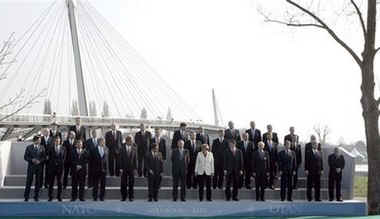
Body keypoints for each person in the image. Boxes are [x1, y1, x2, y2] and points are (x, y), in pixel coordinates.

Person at [24, 136, 46, 202]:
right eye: (39, 140)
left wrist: (40, 161)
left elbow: (44, 157)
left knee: (38, 183)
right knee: (28, 182)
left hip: (39, 167)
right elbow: (25, 157)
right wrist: (32, 160)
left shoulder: (42, 147)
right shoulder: (29, 147)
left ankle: (36, 197)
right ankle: (26, 197)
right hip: (31, 167)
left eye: (40, 140)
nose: (40, 141)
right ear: (35, 140)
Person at [47, 137, 66, 202]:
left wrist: (59, 163)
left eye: (58, 141)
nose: (57, 142)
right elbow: (48, 158)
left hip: (60, 168)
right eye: (56, 141)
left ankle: (59, 197)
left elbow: (64, 158)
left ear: (60, 141)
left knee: (60, 183)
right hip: (52, 168)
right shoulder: (50, 148)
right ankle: (50, 197)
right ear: (54, 141)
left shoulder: (63, 148)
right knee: (51, 183)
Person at [119, 135, 138, 201]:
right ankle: (123, 197)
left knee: (131, 183)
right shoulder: (122, 148)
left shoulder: (134, 148)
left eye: (132, 141)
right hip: (124, 168)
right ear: (127, 141)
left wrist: (135, 168)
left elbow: (135, 159)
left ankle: (131, 197)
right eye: (130, 141)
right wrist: (120, 168)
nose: (131, 142)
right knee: (123, 183)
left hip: (131, 169)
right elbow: (120, 159)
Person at [91, 137, 108, 201]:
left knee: (103, 185)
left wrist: (106, 169)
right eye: (102, 141)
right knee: (95, 184)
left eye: (103, 141)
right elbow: (91, 161)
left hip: (103, 170)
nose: (103, 142)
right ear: (98, 142)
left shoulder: (106, 149)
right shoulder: (94, 149)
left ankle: (102, 197)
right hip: (96, 170)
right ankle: (95, 197)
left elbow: (106, 160)